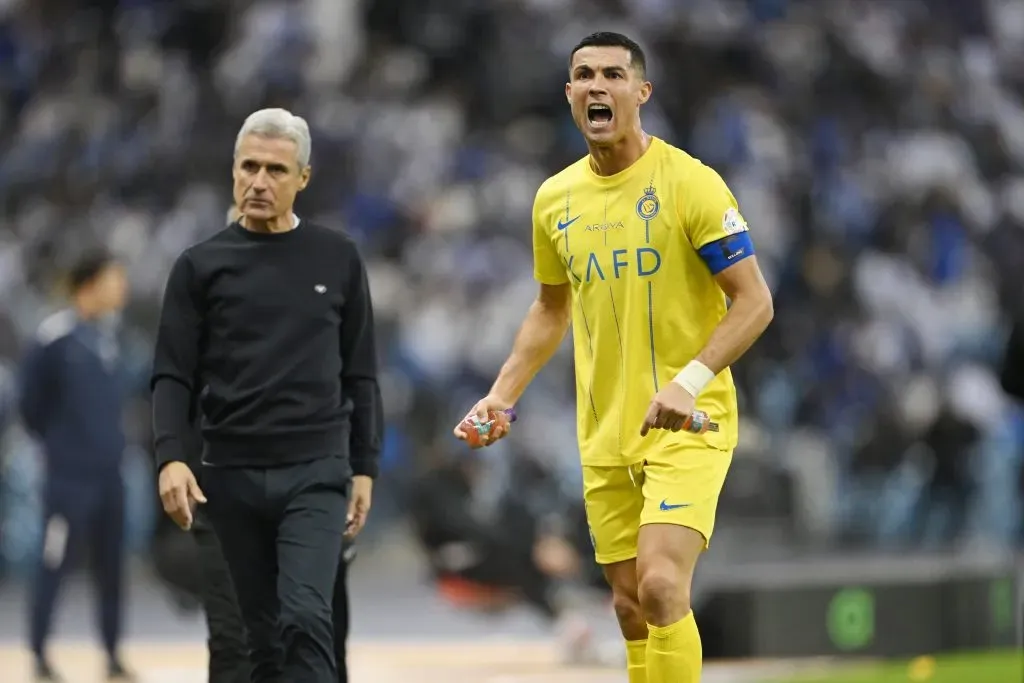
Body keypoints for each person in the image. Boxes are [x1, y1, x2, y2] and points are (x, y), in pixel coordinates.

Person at [454, 32, 774, 683]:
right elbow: (550, 308)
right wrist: (502, 394)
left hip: (689, 423)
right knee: (629, 607)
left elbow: (754, 301)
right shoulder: (555, 199)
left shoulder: (691, 184)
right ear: (569, 94)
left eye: (613, 74)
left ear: (641, 91)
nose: (597, 85)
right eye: (584, 75)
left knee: (661, 585)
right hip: (605, 432)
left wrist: (689, 382)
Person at [151, 108, 382, 683]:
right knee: (259, 642)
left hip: (314, 471)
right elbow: (172, 374)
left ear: (303, 178)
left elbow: (361, 374)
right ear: (233, 171)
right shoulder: (199, 267)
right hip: (230, 474)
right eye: (248, 167)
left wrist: (364, 467)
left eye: (276, 170)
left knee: (305, 617)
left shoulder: (338, 257)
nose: (259, 181)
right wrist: (170, 456)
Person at [18, 251, 134, 682]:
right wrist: (60, 447)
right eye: (114, 279)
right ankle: (39, 651)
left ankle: (112, 652)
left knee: (112, 567)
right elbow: (30, 403)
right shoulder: (55, 337)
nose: (121, 288)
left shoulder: (110, 338)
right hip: (68, 478)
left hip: (110, 474)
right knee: (54, 564)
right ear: (90, 284)